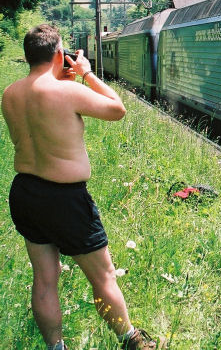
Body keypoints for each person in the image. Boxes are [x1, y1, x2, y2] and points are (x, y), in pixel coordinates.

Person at [1, 24, 160, 350]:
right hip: (66, 198)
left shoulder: (10, 93)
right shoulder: (67, 91)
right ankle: (131, 340)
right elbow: (117, 109)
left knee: (45, 279)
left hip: (25, 193)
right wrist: (86, 74)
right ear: (60, 54)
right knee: (103, 277)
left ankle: (56, 347)